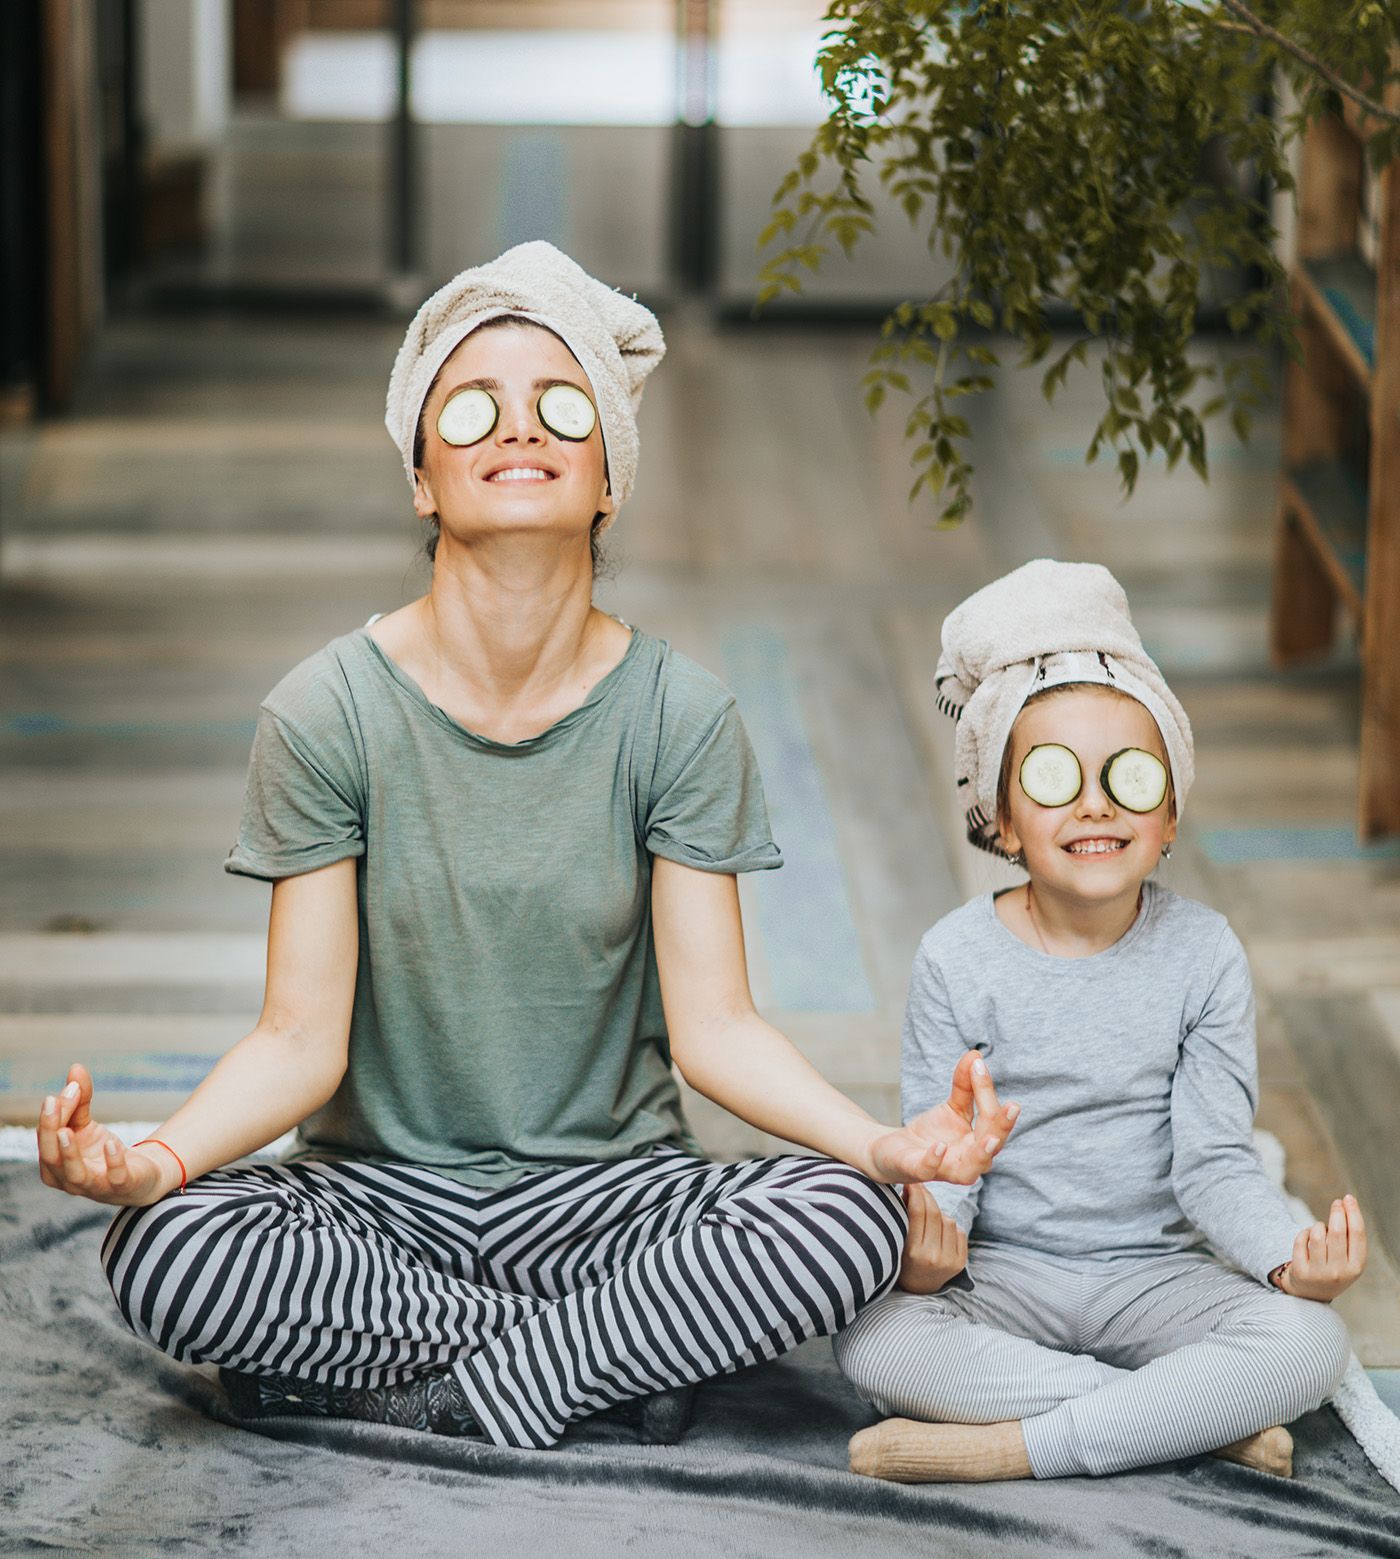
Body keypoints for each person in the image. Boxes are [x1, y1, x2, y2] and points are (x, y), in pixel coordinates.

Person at [35, 242, 1019, 1452]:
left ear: (608, 476)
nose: (519, 429)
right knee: (166, 1246)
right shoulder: (322, 710)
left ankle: (427, 1385)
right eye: (470, 406)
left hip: (613, 1198)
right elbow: (298, 1036)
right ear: (420, 479)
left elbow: (717, 1030)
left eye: (562, 406)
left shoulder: (680, 713)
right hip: (376, 1197)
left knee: (847, 1215)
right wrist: (160, 1157)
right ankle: (599, 1363)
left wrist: (881, 1145)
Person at [834, 559, 1364, 1483]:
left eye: (1129, 776)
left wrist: (1288, 1265)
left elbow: (1216, 1161)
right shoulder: (955, 957)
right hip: (1005, 1276)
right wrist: (929, 1248)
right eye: (1051, 776)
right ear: (1001, 820)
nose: (1094, 802)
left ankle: (1007, 1447)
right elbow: (944, 1152)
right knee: (873, 1335)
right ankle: (1186, 1418)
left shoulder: (1205, 953)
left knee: (1310, 1339)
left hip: (1156, 1277)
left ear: (1168, 817)